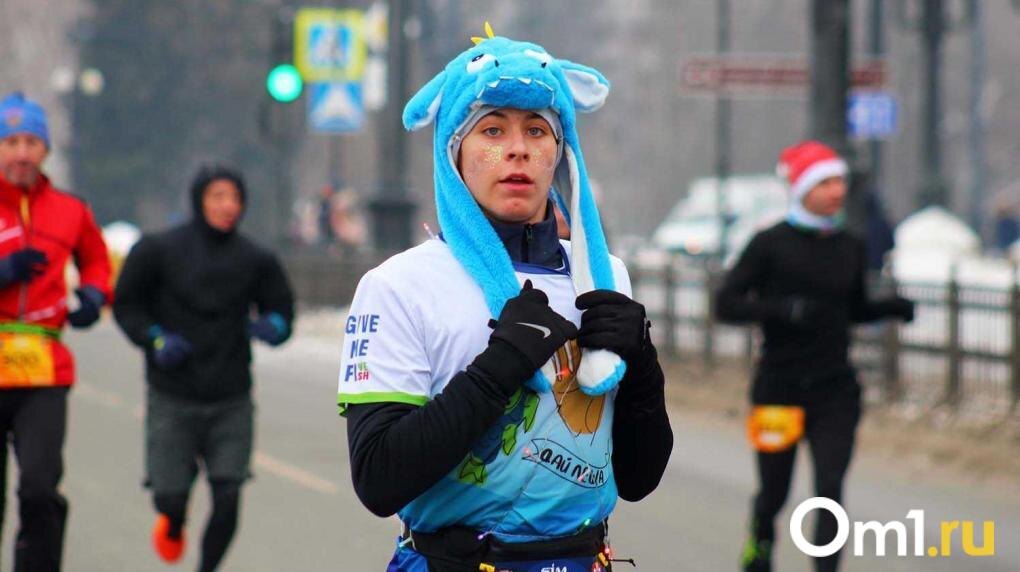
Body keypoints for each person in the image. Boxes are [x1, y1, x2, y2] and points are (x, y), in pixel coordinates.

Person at [338, 28, 673, 572]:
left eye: (537, 130)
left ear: (560, 152)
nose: (518, 148)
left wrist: (643, 368)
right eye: (492, 129)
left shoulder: (603, 278)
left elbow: (639, 478)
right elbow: (378, 479)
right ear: (454, 152)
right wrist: (498, 368)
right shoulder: (398, 285)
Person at [714, 141, 915, 572]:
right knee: (775, 491)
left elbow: (851, 308)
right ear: (803, 188)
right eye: (825, 182)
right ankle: (759, 546)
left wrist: (891, 307)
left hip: (834, 390)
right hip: (778, 387)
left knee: (830, 490)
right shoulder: (769, 244)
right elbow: (725, 304)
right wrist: (781, 310)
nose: (837, 190)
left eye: (840, 181)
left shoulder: (851, 246)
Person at [113, 164, 294, 571]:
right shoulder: (157, 250)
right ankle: (174, 519)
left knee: (228, 496)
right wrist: (156, 338)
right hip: (172, 395)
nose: (228, 206)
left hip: (231, 397)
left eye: (235, 197)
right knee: (169, 499)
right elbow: (127, 305)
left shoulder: (256, 258)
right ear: (199, 200)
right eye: (218, 196)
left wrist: (273, 326)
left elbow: (283, 311)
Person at [0, 92, 113, 571]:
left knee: (39, 488)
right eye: (11, 142)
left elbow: (97, 261)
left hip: (42, 371)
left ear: (45, 149)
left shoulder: (70, 210)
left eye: (31, 142)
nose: (22, 154)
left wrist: (93, 296)